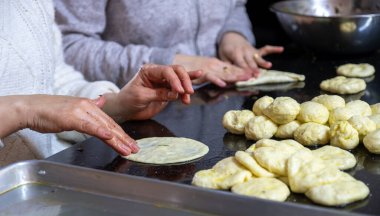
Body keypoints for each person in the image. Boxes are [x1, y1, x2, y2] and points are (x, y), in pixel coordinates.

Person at [0, 0, 199, 166]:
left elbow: (54, 80)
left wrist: (118, 105)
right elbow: (34, 106)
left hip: (38, 183)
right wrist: (23, 110)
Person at [54, 0, 284, 88]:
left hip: (219, 97)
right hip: (132, 113)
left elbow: (235, 6)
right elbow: (68, 46)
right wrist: (166, 61)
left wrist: (233, 34)